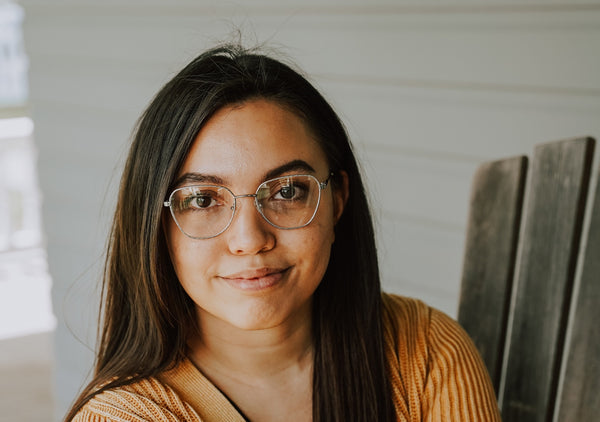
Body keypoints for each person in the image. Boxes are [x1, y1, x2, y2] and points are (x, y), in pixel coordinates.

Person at [66, 44, 501, 422]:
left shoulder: (424, 353)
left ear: (338, 200)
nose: (250, 239)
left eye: (287, 191)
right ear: (155, 225)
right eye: (202, 200)